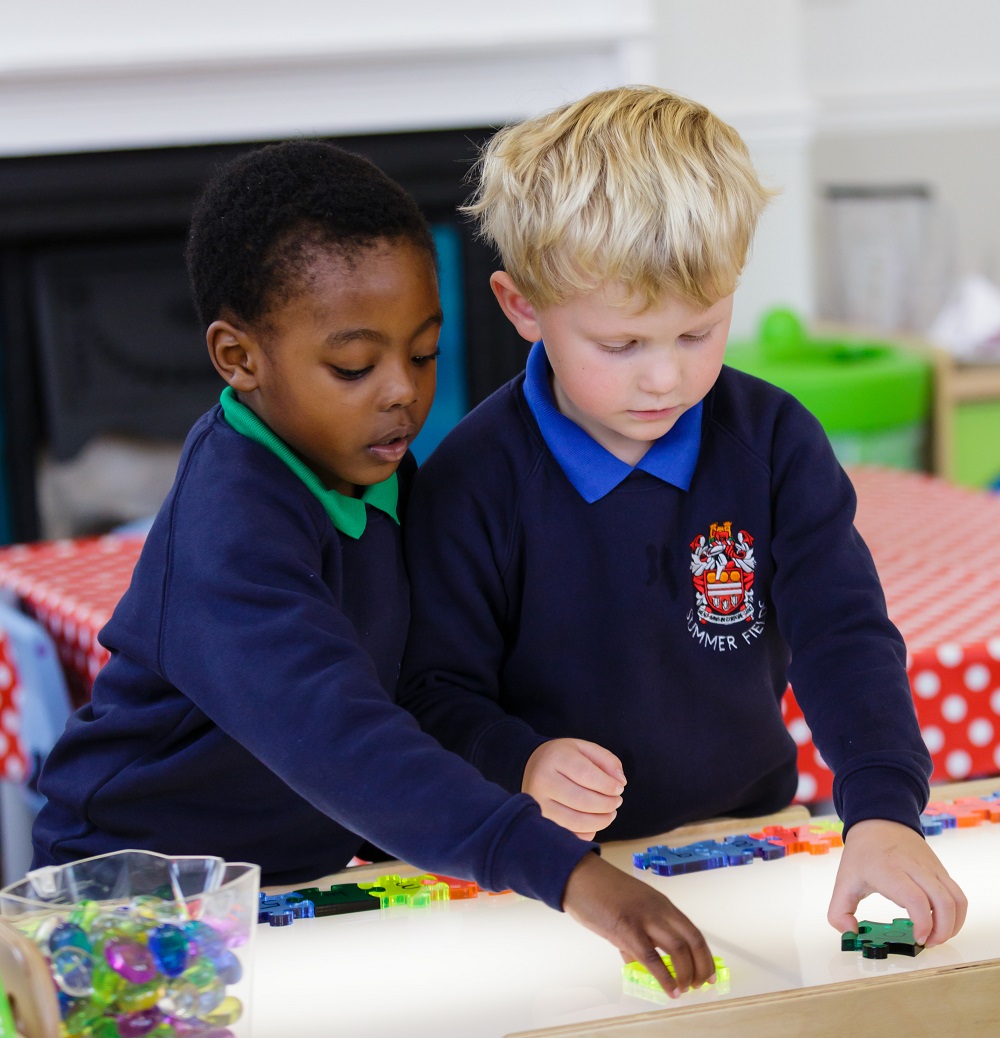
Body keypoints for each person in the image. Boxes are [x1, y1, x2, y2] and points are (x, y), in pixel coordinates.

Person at [31, 139, 716, 996]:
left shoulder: (383, 472)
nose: (402, 392)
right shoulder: (232, 527)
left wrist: (521, 758)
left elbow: (422, 688)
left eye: (424, 354)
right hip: (133, 901)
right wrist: (569, 875)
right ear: (238, 358)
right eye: (354, 366)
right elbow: (344, 736)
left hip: (292, 886)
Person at [397, 87, 968, 948]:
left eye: (698, 333)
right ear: (522, 308)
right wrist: (518, 759)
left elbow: (844, 635)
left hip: (748, 835)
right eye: (622, 346)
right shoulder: (471, 480)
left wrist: (883, 808)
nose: (664, 379)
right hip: (549, 873)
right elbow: (432, 689)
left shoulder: (774, 443)